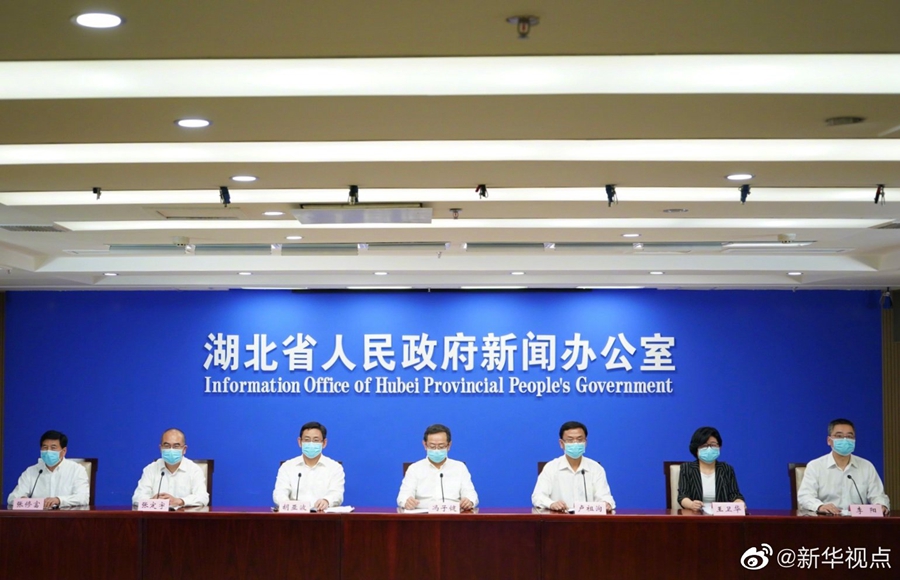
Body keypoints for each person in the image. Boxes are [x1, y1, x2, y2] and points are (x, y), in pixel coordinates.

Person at [797, 418, 890, 515]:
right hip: (826, 519)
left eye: (849, 436)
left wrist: (881, 505)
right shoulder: (815, 466)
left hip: (858, 520)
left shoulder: (867, 466)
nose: (845, 440)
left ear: (854, 440)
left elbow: (878, 495)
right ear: (829, 440)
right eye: (839, 436)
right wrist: (820, 506)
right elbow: (805, 496)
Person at [532, 421, 615, 512]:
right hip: (559, 518)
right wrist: (551, 504)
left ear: (585, 442)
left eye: (579, 439)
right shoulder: (551, 468)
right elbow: (538, 497)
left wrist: (606, 503)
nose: (575, 443)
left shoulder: (596, 468)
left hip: (588, 519)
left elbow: (605, 496)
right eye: (570, 440)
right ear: (561, 443)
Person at [398, 424, 478, 511]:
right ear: (425, 445)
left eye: (441, 446)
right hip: (423, 515)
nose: (436, 450)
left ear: (449, 445)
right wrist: (407, 502)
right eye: (432, 446)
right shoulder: (414, 469)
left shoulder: (459, 467)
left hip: (452, 515)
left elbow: (471, 494)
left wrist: (469, 501)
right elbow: (403, 496)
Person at [7, 430, 89, 509]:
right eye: (45, 447)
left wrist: (59, 500)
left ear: (64, 451)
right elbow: (12, 498)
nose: (48, 451)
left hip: (67, 516)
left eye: (53, 448)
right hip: (37, 517)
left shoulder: (77, 470)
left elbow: (83, 498)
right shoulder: (31, 471)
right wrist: (22, 499)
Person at [273, 421, 345, 510]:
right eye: (307, 440)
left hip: (322, 515)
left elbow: (337, 493)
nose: (311, 444)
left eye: (316, 440)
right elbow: (279, 493)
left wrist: (326, 501)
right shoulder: (287, 467)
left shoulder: (335, 468)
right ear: (300, 442)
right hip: (295, 515)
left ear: (324, 443)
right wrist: (288, 505)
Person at [132, 428, 209, 507]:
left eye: (176, 446)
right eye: (167, 446)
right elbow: (137, 497)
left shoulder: (194, 470)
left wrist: (180, 501)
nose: (171, 450)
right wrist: (152, 501)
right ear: (160, 448)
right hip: (157, 514)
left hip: (184, 514)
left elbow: (203, 498)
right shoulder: (150, 469)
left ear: (184, 449)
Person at [677, 426, 745, 510]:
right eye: (704, 445)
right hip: (696, 514)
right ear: (696, 449)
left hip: (721, 515)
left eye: (713, 445)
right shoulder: (687, 468)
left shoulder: (727, 469)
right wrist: (691, 504)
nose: (709, 449)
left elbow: (734, 495)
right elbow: (682, 496)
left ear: (719, 447)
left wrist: (739, 502)